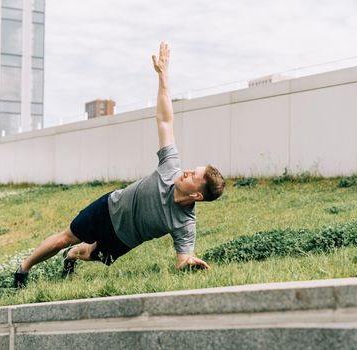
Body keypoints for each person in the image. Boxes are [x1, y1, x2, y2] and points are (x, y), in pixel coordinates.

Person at [13, 42, 225, 288]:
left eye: (193, 175)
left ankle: (70, 257)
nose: (187, 171)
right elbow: (165, 121)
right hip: (109, 208)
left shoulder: (185, 223)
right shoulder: (171, 167)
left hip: (124, 240)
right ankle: (23, 270)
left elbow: (182, 259)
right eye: (192, 169)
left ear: (198, 194)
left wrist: (189, 263)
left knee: (90, 254)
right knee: (66, 237)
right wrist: (163, 76)